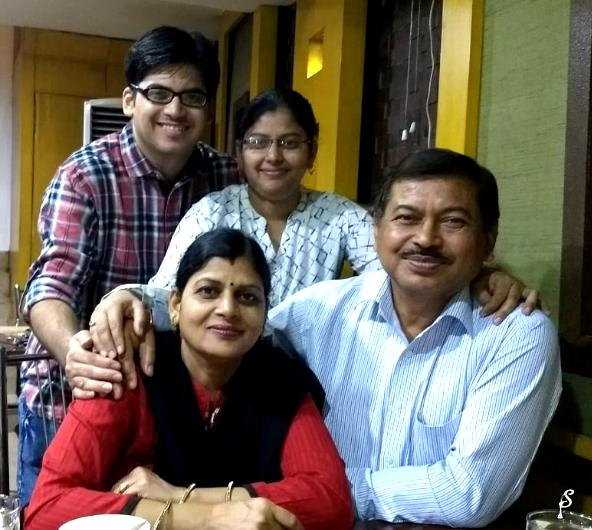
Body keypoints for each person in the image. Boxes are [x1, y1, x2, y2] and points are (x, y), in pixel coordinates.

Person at [80, 89, 538, 367]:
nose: (273, 156)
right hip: (217, 370)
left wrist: (482, 275)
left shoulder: (339, 216)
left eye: (289, 142)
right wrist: (126, 297)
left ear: (311, 151)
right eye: (258, 143)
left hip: (304, 382)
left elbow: (404, 270)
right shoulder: (210, 212)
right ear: (239, 153)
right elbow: (168, 295)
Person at [267, 149, 562, 526]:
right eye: (406, 217)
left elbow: (467, 494)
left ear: (488, 241)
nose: (425, 238)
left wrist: (319, 491)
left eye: (453, 221)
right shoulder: (316, 311)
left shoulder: (515, 333)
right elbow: (226, 348)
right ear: (376, 229)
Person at [18, 25, 240, 506]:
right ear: (128, 100)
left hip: (171, 411)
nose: (175, 109)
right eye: (158, 93)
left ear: (208, 111)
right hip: (76, 398)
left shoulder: (227, 177)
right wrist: (74, 354)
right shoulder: (84, 175)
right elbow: (51, 285)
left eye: (193, 97)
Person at [25, 229, 352, 530]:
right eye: (208, 291)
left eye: (248, 297)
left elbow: (330, 501)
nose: (228, 309)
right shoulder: (127, 372)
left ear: (265, 314)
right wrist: (206, 518)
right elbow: (46, 508)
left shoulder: (282, 381)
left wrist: (181, 495)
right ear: (176, 305)